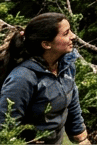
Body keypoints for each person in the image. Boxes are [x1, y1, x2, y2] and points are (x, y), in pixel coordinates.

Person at [0, 13, 87, 144]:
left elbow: (71, 99)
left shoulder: (65, 65)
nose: (73, 36)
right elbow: (5, 127)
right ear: (46, 44)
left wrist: (81, 136)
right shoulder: (22, 78)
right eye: (66, 33)